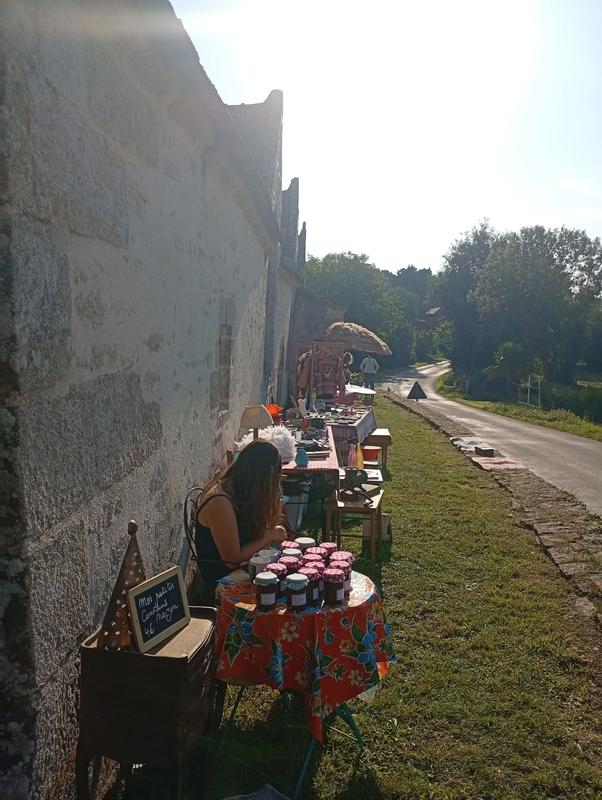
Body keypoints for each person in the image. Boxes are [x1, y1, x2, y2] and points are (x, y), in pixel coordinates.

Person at [194, 439, 287, 601]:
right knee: (278, 594)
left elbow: (262, 529)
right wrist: (269, 535)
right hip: (223, 580)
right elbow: (233, 559)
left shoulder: (242, 490)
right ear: (260, 477)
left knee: (290, 578)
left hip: (245, 567)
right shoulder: (220, 502)